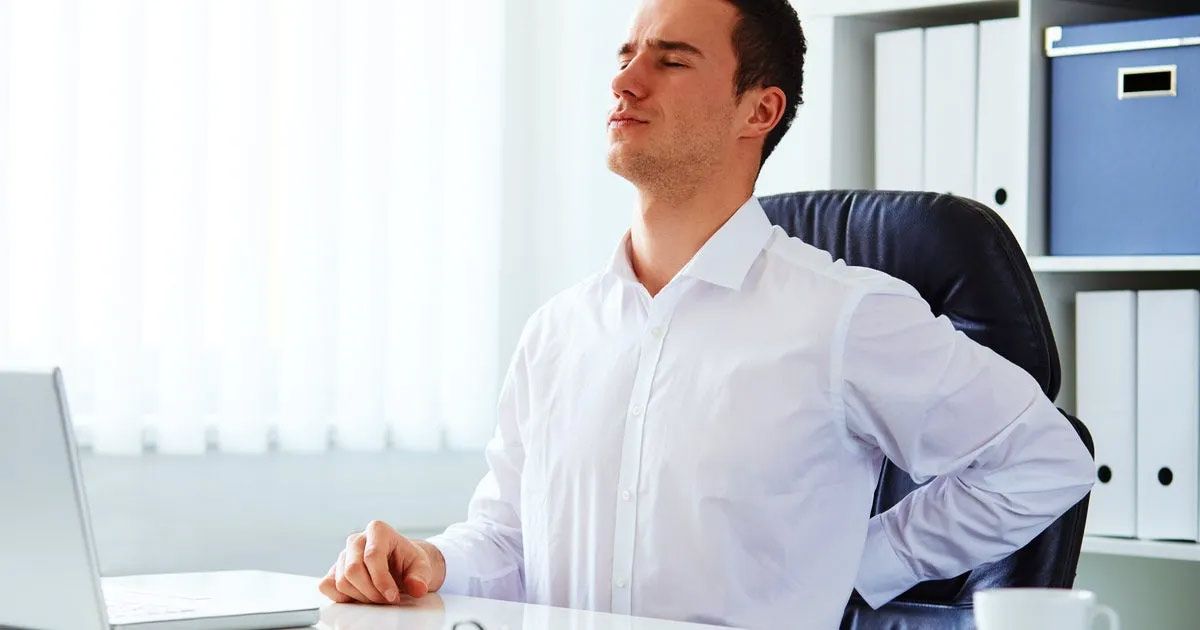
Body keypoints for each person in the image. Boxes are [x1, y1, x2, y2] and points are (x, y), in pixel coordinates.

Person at [318, 0, 1096, 626]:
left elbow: (1044, 461)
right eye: (625, 56)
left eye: (670, 59)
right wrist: (431, 560)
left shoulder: (841, 316)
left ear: (758, 109)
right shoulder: (558, 332)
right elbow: (509, 536)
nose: (625, 83)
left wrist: (862, 563)